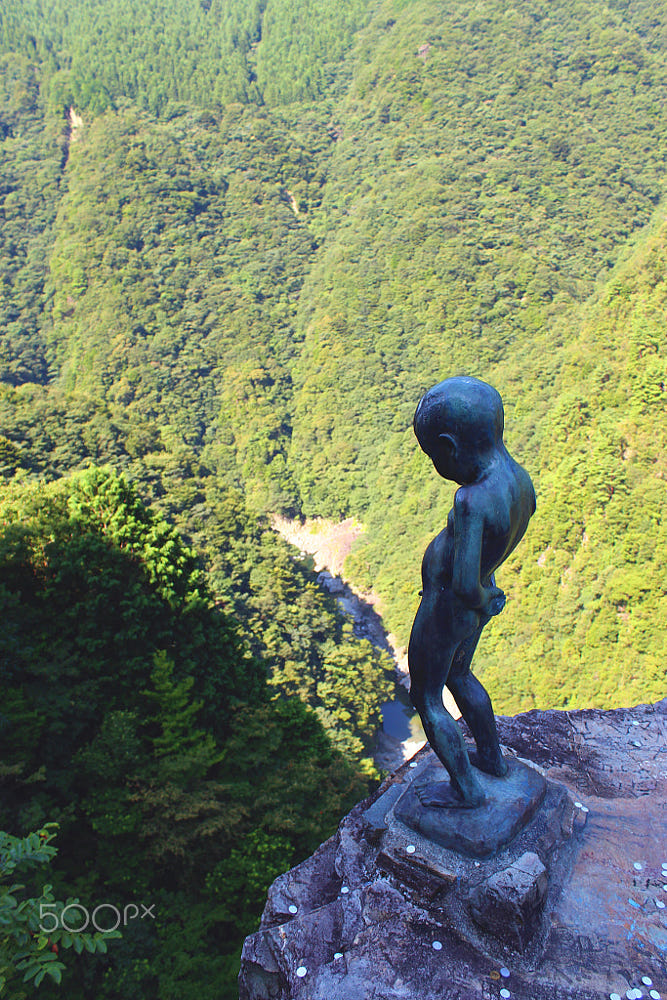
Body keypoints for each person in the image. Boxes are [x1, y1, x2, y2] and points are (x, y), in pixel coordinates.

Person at [408, 376, 536, 808]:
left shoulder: (471, 500)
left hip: (449, 605)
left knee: (426, 696)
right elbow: (488, 557)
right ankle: (492, 759)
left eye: (432, 456)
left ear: (449, 448)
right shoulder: (520, 483)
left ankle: (465, 790)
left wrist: (478, 597)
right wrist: (488, 597)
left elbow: (463, 582)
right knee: (461, 676)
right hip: (480, 598)